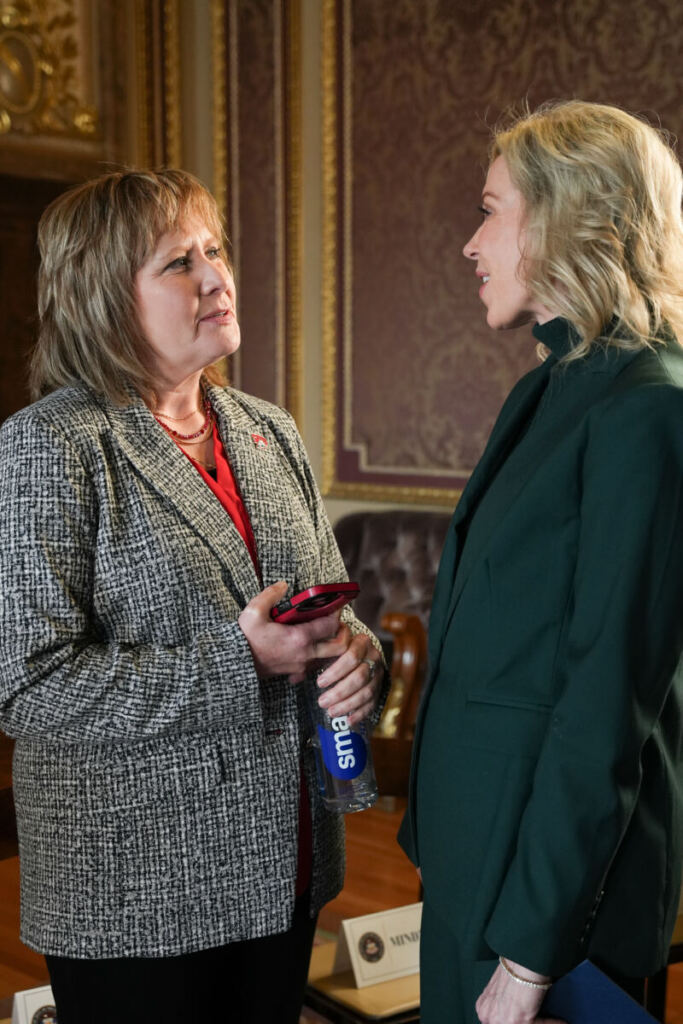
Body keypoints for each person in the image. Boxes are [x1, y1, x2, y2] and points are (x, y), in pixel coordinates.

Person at [0, 168, 386, 1024]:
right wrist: (240, 661)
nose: (217, 277)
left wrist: (359, 657)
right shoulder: (49, 445)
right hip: (137, 895)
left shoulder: (267, 428)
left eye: (215, 250)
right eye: (179, 263)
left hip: (286, 867)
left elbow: (331, 610)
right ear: (105, 299)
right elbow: (27, 685)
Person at [399, 100, 683, 1024]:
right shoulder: (545, 387)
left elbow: (606, 700)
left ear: (568, 218)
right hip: (475, 858)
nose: (470, 244)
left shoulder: (649, 406)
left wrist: (529, 955)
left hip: (543, 903)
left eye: (490, 211)